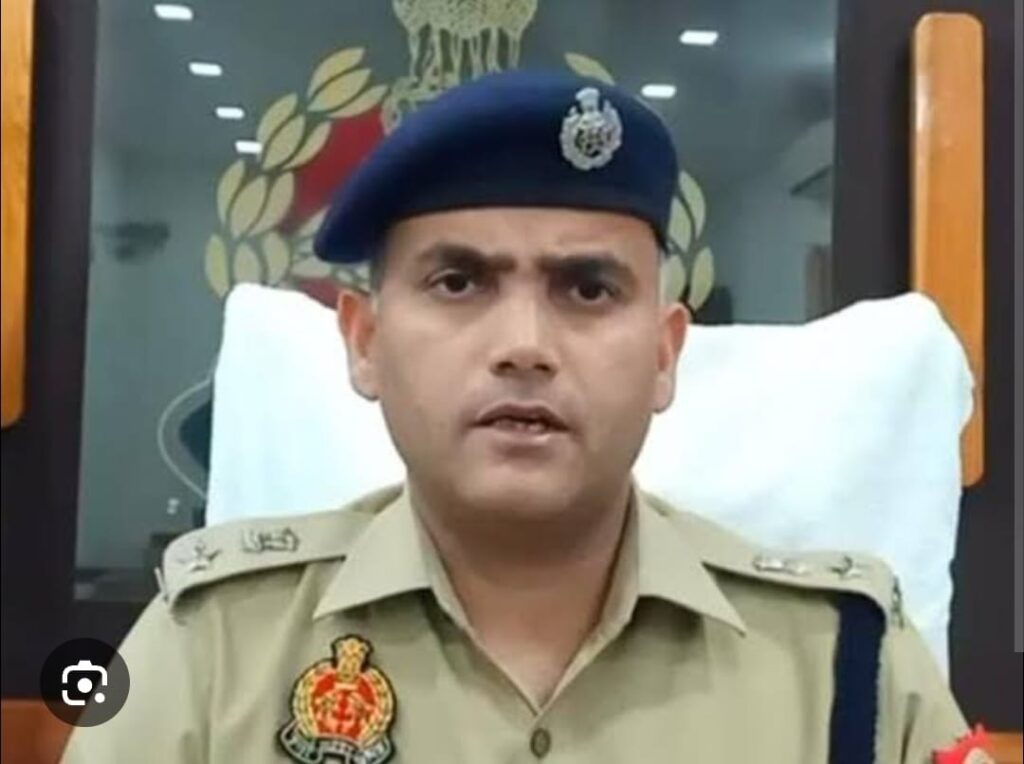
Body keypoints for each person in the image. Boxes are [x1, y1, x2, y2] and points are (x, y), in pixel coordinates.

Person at [62, 69, 982, 764]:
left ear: (665, 355)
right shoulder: (212, 648)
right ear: (365, 343)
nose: (525, 345)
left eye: (588, 288)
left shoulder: (848, 664)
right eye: (459, 282)